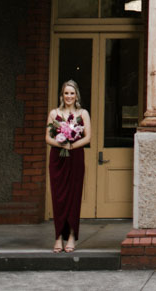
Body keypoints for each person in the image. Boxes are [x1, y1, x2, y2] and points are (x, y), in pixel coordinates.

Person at [46, 79, 91, 253]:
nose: (69, 96)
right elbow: (48, 137)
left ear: (76, 95)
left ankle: (71, 236)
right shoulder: (54, 113)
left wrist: (71, 145)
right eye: (66, 93)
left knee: (73, 196)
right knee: (59, 198)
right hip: (58, 157)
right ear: (62, 95)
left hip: (75, 156)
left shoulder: (83, 113)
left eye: (72, 93)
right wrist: (61, 144)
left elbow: (87, 137)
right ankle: (58, 237)